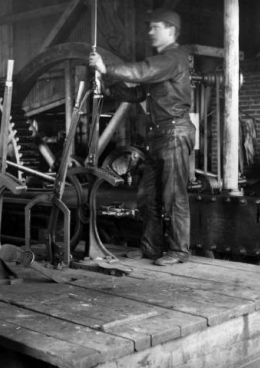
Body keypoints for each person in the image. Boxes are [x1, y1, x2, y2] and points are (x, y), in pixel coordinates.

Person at [89, 9, 194, 266]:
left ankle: (179, 251)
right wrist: (109, 82)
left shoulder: (174, 58)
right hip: (159, 135)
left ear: (170, 30)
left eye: (154, 27)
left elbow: (143, 71)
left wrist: (108, 67)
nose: (149, 32)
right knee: (148, 197)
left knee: (173, 196)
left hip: (175, 133)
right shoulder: (162, 64)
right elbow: (137, 95)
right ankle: (150, 248)